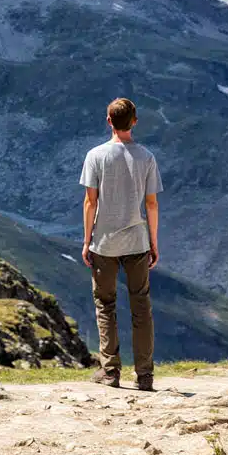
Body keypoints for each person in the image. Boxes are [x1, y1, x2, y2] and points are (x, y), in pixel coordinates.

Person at [80, 96, 162, 391]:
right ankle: (145, 375)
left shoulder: (95, 156)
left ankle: (110, 371)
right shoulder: (147, 157)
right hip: (137, 242)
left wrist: (86, 240)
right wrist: (153, 243)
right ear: (134, 122)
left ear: (109, 121)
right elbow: (151, 204)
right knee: (141, 307)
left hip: (104, 243)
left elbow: (91, 202)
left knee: (106, 305)